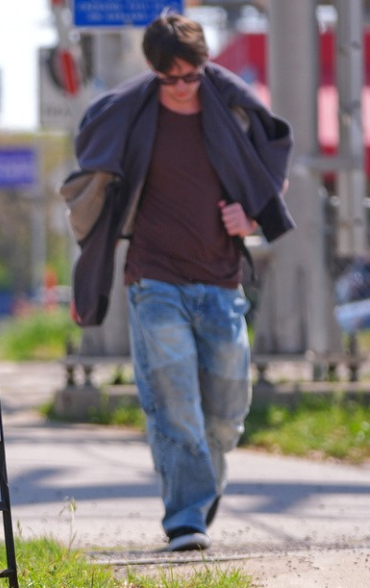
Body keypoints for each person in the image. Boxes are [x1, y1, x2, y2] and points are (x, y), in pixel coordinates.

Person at [60, 13, 295, 552]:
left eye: (192, 76)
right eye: (172, 79)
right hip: (155, 280)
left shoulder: (230, 107)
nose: (184, 89)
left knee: (228, 411)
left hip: (221, 282)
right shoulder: (132, 111)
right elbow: (92, 144)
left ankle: (201, 484)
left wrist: (253, 216)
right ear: (154, 71)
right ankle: (186, 517)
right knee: (175, 403)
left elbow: (273, 152)